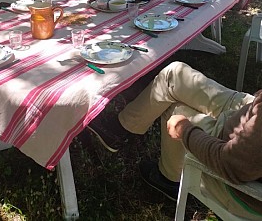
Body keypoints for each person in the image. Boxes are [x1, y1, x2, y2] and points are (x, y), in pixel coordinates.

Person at [87, 61, 262, 219]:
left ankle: (168, 179)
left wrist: (186, 131)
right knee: (173, 75)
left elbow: (232, 165)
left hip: (241, 184)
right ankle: (118, 128)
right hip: (247, 116)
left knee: (175, 112)